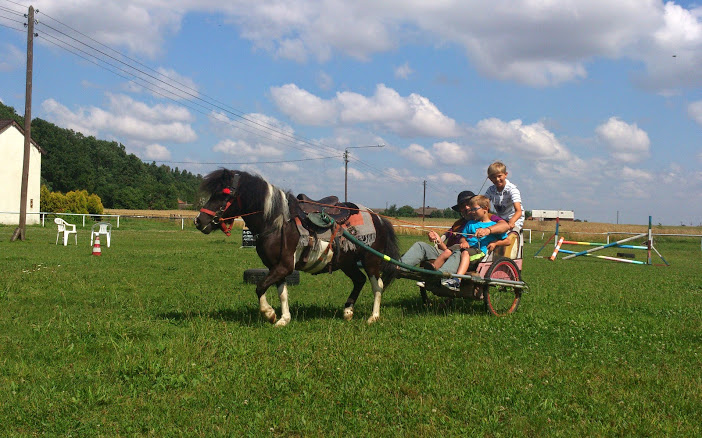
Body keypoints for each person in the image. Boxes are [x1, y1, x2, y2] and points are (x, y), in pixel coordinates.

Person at [398, 191, 510, 275]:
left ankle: (440, 276)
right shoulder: (458, 224)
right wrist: (437, 239)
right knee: (420, 246)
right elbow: (446, 248)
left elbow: (505, 226)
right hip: (447, 253)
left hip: (465, 255)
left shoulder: (488, 218)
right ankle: (398, 267)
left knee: (458, 253)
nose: (466, 208)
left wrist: (488, 230)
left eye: (469, 205)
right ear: (460, 209)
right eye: (462, 206)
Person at [441, 195, 510, 289]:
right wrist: (463, 241)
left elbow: (507, 241)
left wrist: (495, 243)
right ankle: (433, 273)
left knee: (465, 253)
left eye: (475, 209)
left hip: (480, 251)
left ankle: (457, 280)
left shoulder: (494, 225)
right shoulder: (470, 223)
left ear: (485, 208)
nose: (472, 212)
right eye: (471, 209)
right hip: (467, 247)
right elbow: (463, 237)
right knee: (449, 251)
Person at [485, 161, 524, 232]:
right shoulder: (490, 190)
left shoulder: (512, 189)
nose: (497, 179)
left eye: (499, 176)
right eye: (494, 177)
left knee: (509, 236)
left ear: (505, 175)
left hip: (515, 219)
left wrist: (511, 222)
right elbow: (483, 205)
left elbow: (519, 211)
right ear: (490, 179)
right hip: (500, 219)